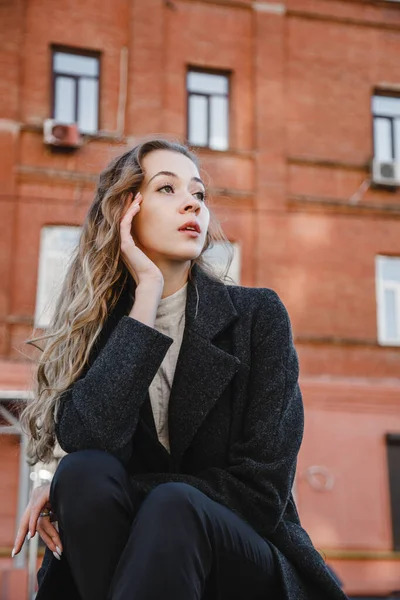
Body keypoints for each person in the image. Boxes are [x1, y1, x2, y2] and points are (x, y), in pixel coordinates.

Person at [13, 139, 348, 600]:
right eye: (167, 189)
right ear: (124, 212)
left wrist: (135, 492)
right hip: (139, 567)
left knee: (174, 505)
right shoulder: (102, 331)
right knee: (81, 473)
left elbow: (261, 491)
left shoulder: (257, 317)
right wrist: (147, 291)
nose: (192, 201)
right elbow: (89, 444)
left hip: (244, 560)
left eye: (198, 193)